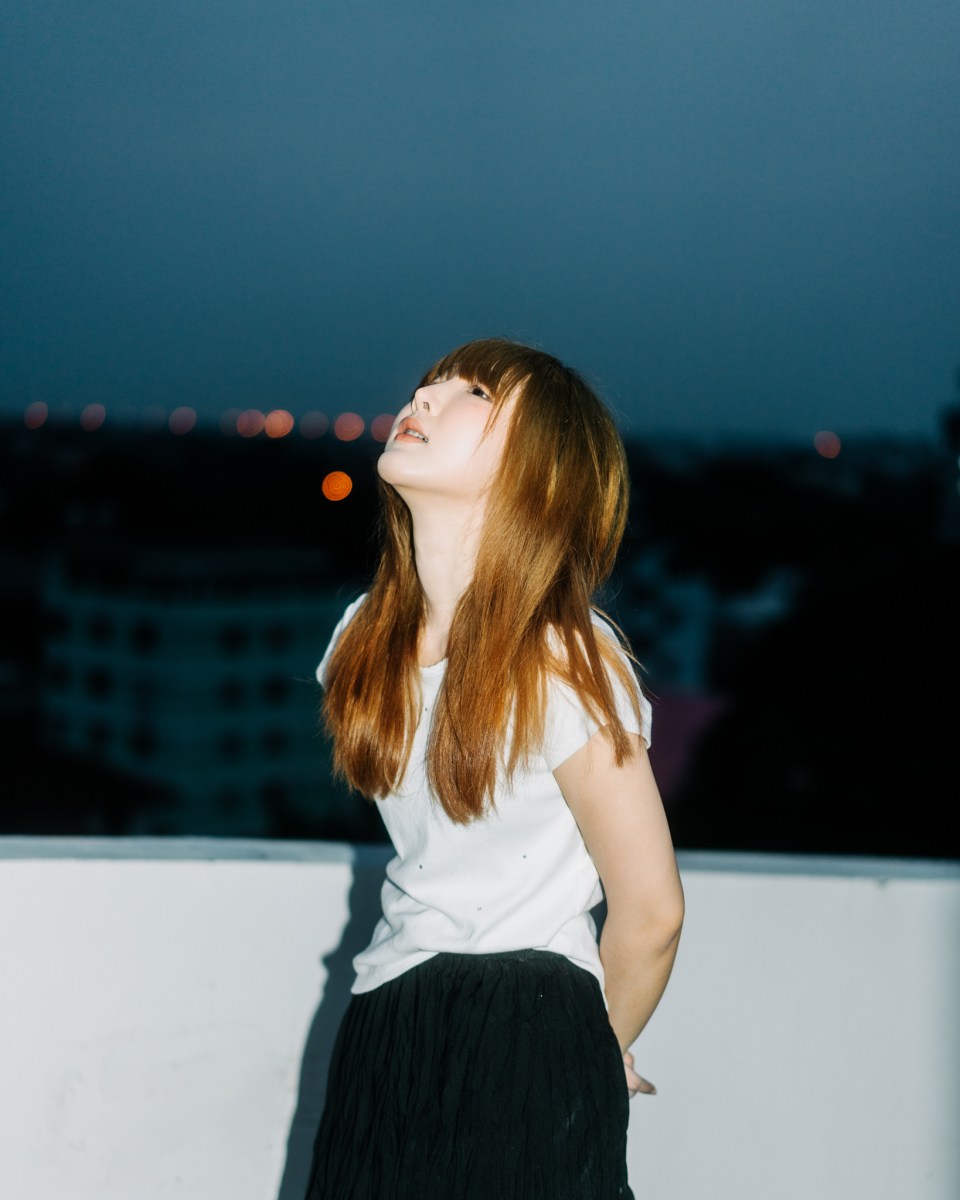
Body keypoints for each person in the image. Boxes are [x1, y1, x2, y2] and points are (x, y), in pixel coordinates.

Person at [305, 338, 684, 1200]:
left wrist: (594, 1048)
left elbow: (653, 911)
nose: (425, 396)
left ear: (536, 471)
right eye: (428, 382)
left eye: (472, 391)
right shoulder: (364, 637)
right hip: (388, 1016)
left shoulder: (563, 656)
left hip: (529, 1022)